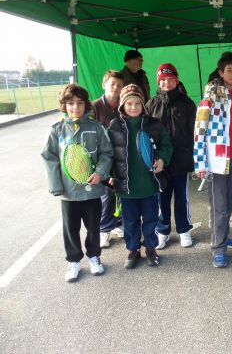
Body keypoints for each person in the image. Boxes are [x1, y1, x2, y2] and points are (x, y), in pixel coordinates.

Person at [41, 84, 113, 282]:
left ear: (86, 105)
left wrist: (100, 173)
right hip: (68, 192)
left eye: (80, 103)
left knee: (93, 227)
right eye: (70, 103)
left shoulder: (96, 128)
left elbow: (106, 154)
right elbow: (50, 157)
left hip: (92, 191)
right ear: (64, 105)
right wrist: (56, 185)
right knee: (70, 228)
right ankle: (74, 261)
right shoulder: (56, 130)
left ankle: (94, 257)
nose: (75, 107)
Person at [193, 52, 232, 268]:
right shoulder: (210, 98)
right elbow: (199, 132)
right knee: (219, 205)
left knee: (230, 202)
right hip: (216, 159)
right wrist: (200, 163)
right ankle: (218, 248)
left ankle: (224, 238)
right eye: (229, 71)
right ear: (220, 72)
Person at [108, 84, 172, 269]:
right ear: (122, 106)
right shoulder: (114, 126)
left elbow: (166, 145)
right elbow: (108, 154)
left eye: (137, 103)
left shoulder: (154, 124)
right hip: (126, 187)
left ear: (143, 105)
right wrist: (110, 175)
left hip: (150, 184)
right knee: (130, 222)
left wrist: (162, 160)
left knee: (151, 220)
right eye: (129, 103)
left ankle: (151, 248)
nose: (134, 107)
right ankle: (133, 250)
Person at [146, 63, 196, 249]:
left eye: (170, 79)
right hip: (159, 163)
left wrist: (194, 158)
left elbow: (194, 132)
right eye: (163, 80)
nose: (166, 83)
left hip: (181, 161)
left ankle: (184, 230)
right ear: (158, 82)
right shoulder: (151, 104)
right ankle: (163, 231)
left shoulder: (187, 103)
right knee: (162, 199)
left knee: (182, 198)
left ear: (176, 79)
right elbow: (145, 134)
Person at [91, 70, 125, 248]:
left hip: (121, 157)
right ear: (104, 84)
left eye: (120, 85)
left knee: (121, 193)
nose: (116, 88)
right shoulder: (94, 107)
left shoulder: (124, 105)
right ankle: (104, 230)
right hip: (102, 159)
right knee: (107, 196)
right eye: (113, 84)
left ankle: (118, 225)